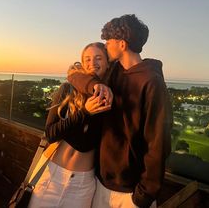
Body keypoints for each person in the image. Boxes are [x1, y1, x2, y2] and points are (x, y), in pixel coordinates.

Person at [68, 14, 172, 208]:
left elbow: (158, 142)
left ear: (122, 44)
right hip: (101, 183)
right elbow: (73, 74)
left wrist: (143, 196)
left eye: (108, 41)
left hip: (132, 193)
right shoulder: (114, 71)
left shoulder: (151, 81)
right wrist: (94, 86)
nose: (105, 46)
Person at [28, 42, 112, 208]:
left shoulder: (109, 98)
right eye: (87, 59)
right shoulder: (67, 90)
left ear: (108, 63)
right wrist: (85, 112)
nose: (92, 63)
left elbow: (86, 143)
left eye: (98, 58)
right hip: (51, 176)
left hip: (83, 185)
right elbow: (51, 134)